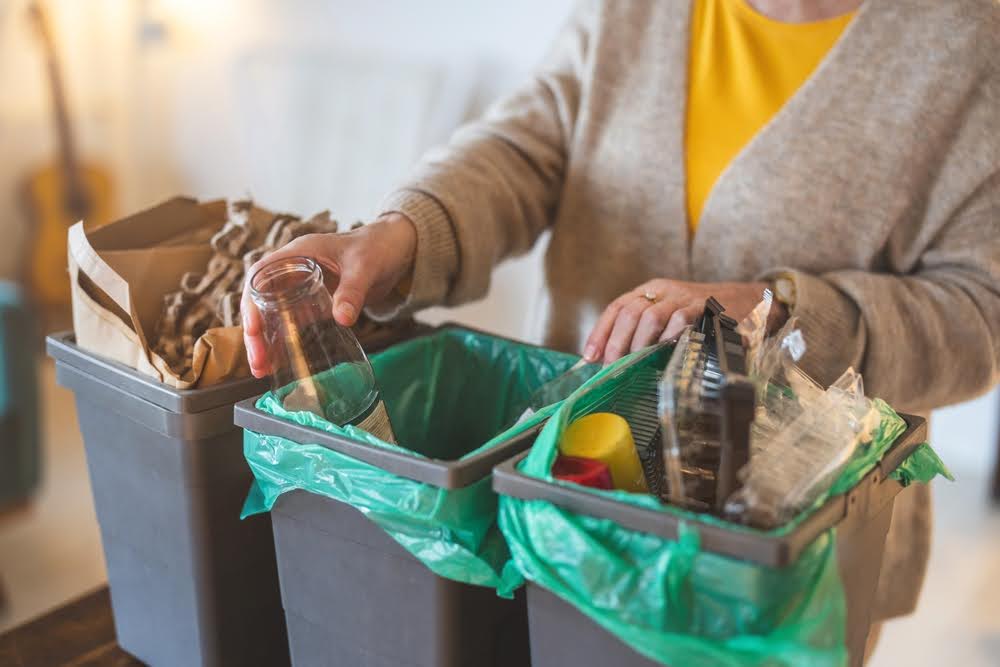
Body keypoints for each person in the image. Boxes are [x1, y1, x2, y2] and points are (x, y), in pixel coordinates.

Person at [242, 0, 1000, 656]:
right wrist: (398, 235)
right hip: (575, 508)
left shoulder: (967, 46)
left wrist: (778, 313)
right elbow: (526, 146)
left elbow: (980, 310)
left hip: (786, 558)